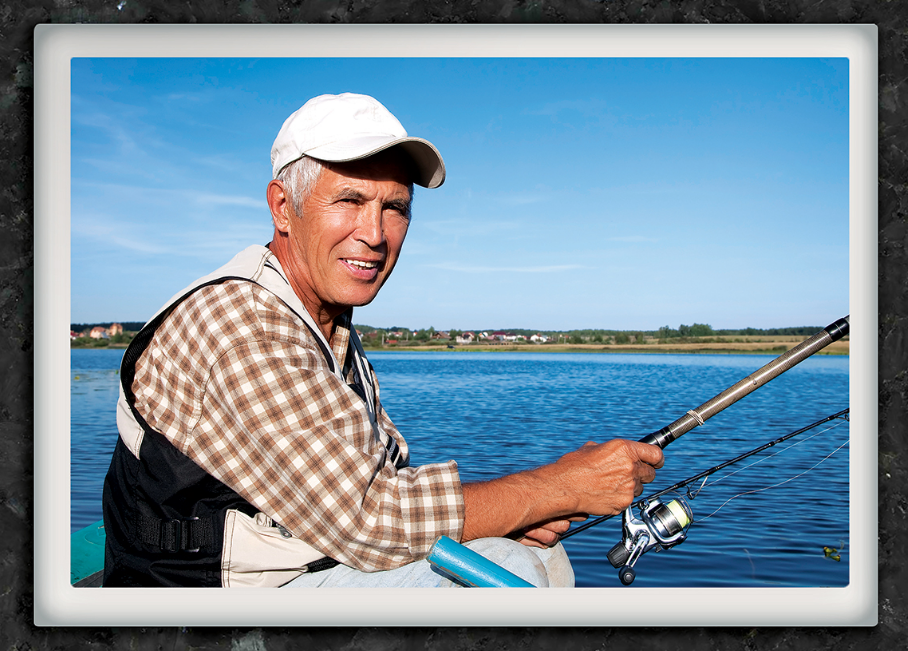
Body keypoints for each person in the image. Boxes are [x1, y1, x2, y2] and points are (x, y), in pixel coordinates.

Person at [101, 93, 664, 588]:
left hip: (311, 566)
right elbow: (371, 518)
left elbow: (382, 481)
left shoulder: (328, 328)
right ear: (282, 207)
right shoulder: (240, 321)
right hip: (213, 599)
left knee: (536, 551)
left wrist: (527, 507)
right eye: (349, 200)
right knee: (501, 574)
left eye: (394, 207)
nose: (374, 234)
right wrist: (557, 487)